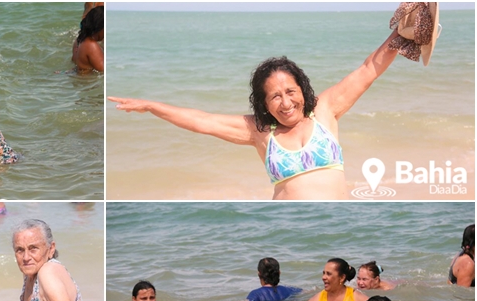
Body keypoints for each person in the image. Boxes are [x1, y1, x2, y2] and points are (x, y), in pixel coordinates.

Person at [108, 29, 405, 200]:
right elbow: (202, 120)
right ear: (264, 103)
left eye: (291, 92)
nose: (286, 102)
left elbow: (369, 70)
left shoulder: (325, 110)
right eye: (275, 96)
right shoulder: (260, 132)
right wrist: (150, 106)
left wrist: (401, 31)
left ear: (302, 89)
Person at [296, 258, 368, 301]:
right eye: (324, 273)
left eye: (328, 274)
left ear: (342, 277)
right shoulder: (317, 300)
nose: (323, 277)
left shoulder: (357, 298)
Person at [72, 5, 103, 73]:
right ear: (100, 27)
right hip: (88, 83)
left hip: (80, 81)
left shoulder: (79, 40)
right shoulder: (91, 45)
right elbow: (104, 71)